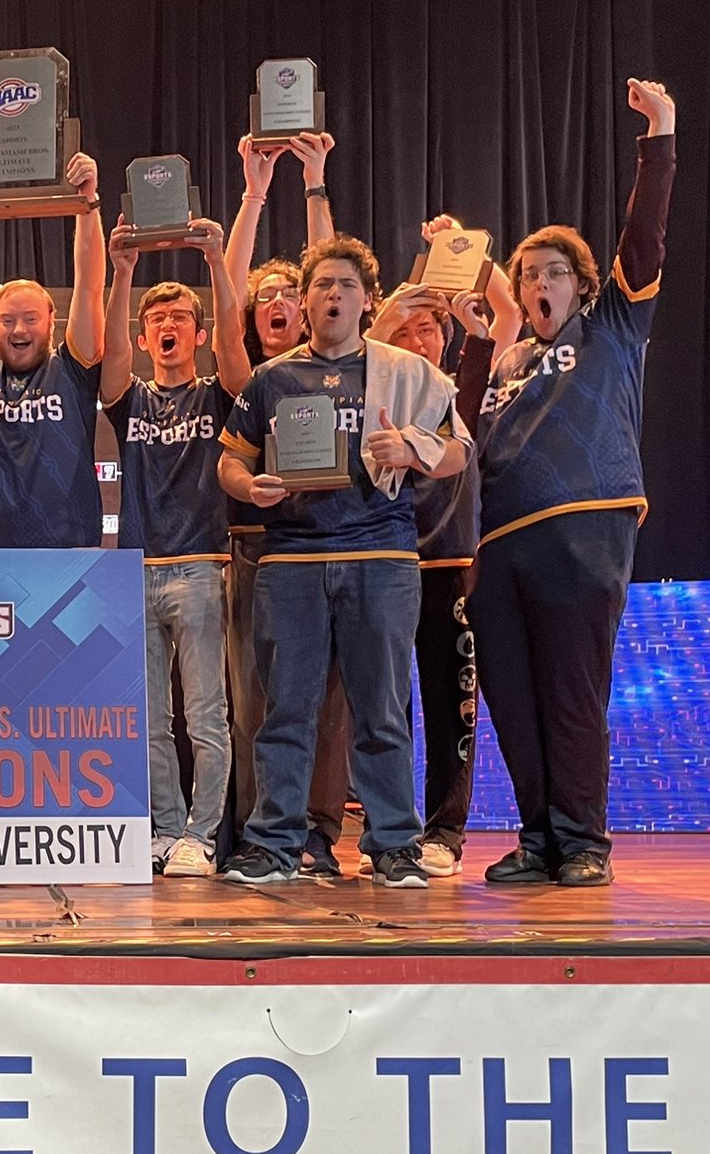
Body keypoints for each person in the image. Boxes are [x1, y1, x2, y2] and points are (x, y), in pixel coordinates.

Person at [471, 78, 678, 888]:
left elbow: (645, 237)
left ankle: (584, 841)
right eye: (528, 275)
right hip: (499, 542)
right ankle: (538, 839)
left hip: (583, 524)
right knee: (513, 701)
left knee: (570, 692)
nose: (539, 284)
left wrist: (659, 136)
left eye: (553, 271)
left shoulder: (613, 327)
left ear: (581, 283)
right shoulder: (507, 362)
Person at [216, 235, 472, 890]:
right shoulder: (272, 379)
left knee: (382, 710)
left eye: (347, 285)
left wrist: (412, 449)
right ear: (304, 301)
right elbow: (231, 460)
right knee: (286, 710)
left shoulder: (407, 372)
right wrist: (251, 488)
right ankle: (273, 844)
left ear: (367, 301)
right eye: (323, 285)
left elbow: (457, 452)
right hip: (292, 560)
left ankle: (394, 847)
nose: (334, 294)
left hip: (381, 556)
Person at [364, 223, 525, 877]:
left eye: (428, 329)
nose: (416, 341)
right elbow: (362, 344)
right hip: (385, 561)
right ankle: (391, 829)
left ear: (447, 334)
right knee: (385, 707)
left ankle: (445, 833)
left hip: (453, 565)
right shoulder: (370, 387)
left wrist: (466, 248)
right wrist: (391, 311)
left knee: (451, 706)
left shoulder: (466, 383)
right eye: (404, 332)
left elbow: (509, 314)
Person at [99, 217, 244, 879]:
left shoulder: (218, 395)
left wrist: (215, 263)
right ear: (143, 336)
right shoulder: (129, 400)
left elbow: (238, 354)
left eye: (180, 317)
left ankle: (202, 834)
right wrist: (123, 270)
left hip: (201, 566)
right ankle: (162, 829)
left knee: (206, 715)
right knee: (150, 719)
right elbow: (106, 365)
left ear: (198, 333)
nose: (167, 324)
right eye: (156, 318)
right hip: (136, 568)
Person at [220, 131, 345, 871]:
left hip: (330, 538)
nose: (276, 304)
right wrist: (255, 192)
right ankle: (261, 832)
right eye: (263, 298)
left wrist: (316, 181)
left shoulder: (333, 364)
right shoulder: (246, 377)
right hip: (255, 547)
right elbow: (228, 284)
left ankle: (318, 833)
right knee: (255, 701)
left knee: (328, 700)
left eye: (288, 296)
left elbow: (329, 270)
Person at [0, 153, 105, 546]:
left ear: (52, 321)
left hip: (71, 552)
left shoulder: (73, 367)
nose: (19, 329)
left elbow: (90, 287)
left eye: (30, 318)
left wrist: (87, 204)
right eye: (8, 320)